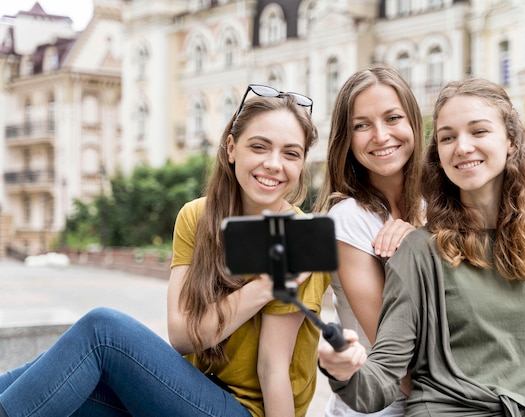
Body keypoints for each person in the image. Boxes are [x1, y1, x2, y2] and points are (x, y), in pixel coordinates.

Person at [0, 84, 330, 417]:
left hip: (243, 411)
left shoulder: (299, 238)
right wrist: (265, 285)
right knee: (57, 371)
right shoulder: (197, 217)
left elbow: (273, 369)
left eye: (291, 153)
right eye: (260, 147)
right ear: (231, 148)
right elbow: (183, 336)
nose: (274, 164)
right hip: (187, 392)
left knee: (102, 332)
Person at [318, 77, 525, 417]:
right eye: (448, 136)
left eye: (479, 131)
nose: (463, 147)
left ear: (511, 140)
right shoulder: (382, 233)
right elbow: (394, 368)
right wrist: (344, 371)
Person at [314, 65, 424, 417]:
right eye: (362, 125)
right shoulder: (348, 219)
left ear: (414, 123)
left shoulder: (437, 206)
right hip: (383, 407)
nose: (380, 136)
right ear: (346, 139)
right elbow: (394, 359)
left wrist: (421, 242)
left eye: (393, 117)